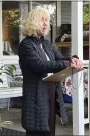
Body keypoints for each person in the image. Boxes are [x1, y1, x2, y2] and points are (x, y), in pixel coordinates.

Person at [18, 7, 83, 136]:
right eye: (42, 20)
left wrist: (73, 59)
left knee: (49, 129)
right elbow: (40, 65)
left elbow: (60, 59)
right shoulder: (26, 45)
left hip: (51, 92)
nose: (45, 24)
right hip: (36, 94)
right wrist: (67, 63)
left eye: (46, 21)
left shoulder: (47, 44)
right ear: (33, 22)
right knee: (37, 129)